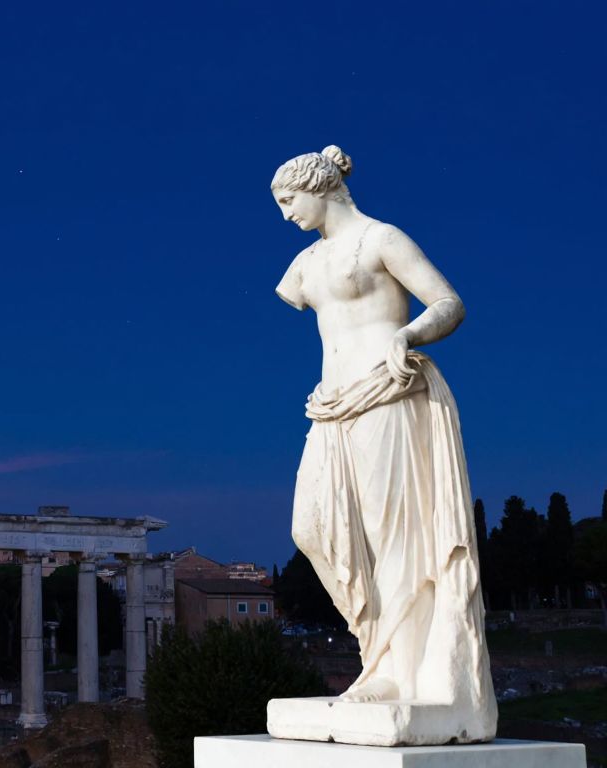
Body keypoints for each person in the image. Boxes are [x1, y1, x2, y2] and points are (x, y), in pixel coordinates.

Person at [272, 146, 495, 740]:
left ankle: (398, 671)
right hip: (332, 406)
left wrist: (410, 333)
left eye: (288, 200)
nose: (286, 214)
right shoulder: (304, 266)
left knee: (394, 533)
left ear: (319, 187)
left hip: (387, 394)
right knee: (312, 529)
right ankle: (379, 646)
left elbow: (448, 303)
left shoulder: (380, 240)